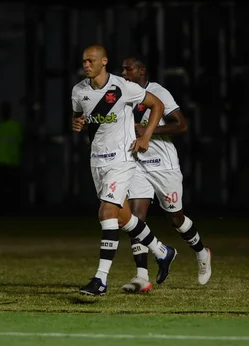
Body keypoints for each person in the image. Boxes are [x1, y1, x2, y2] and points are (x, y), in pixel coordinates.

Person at [71, 44, 178, 296]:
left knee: (106, 212)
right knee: (122, 218)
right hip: (98, 161)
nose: (86, 65)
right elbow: (79, 116)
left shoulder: (122, 87)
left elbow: (158, 106)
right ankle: (163, 252)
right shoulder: (78, 91)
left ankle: (100, 280)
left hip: (122, 160)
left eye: (90, 61)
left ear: (104, 61)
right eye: (83, 61)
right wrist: (77, 122)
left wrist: (146, 137)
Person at [119, 56, 212, 293]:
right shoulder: (121, 93)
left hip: (163, 165)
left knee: (176, 219)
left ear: (142, 71)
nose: (124, 72)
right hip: (137, 163)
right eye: (122, 69)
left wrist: (150, 131)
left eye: (128, 69)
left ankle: (202, 252)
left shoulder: (158, 91)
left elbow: (181, 125)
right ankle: (141, 276)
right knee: (136, 219)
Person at [0, 101, 24, 214]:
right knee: (8, 190)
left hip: (6, 163)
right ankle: (9, 211)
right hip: (9, 163)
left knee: (7, 190)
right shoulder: (13, 126)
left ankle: (7, 211)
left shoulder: (0, 127)